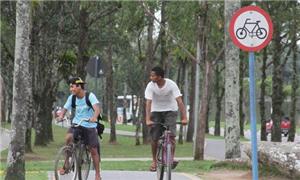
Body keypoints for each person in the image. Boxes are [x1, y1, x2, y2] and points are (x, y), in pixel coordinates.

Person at [57, 77, 102, 180]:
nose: (71, 89)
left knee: (93, 150)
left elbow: (97, 109)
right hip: (77, 124)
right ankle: (66, 164)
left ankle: (97, 174)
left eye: (72, 87)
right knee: (68, 138)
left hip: (89, 126)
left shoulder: (90, 96)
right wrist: (61, 116)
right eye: (70, 87)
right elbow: (65, 108)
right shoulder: (72, 98)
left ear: (79, 86)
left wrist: (94, 117)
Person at [145, 66, 188, 172]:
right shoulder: (150, 86)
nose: (151, 78)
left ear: (159, 77)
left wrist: (184, 117)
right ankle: (154, 161)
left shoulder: (171, 84)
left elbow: (180, 101)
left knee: (171, 135)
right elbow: (148, 103)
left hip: (170, 110)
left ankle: (171, 158)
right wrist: (148, 119)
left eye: (153, 76)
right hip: (156, 111)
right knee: (154, 137)